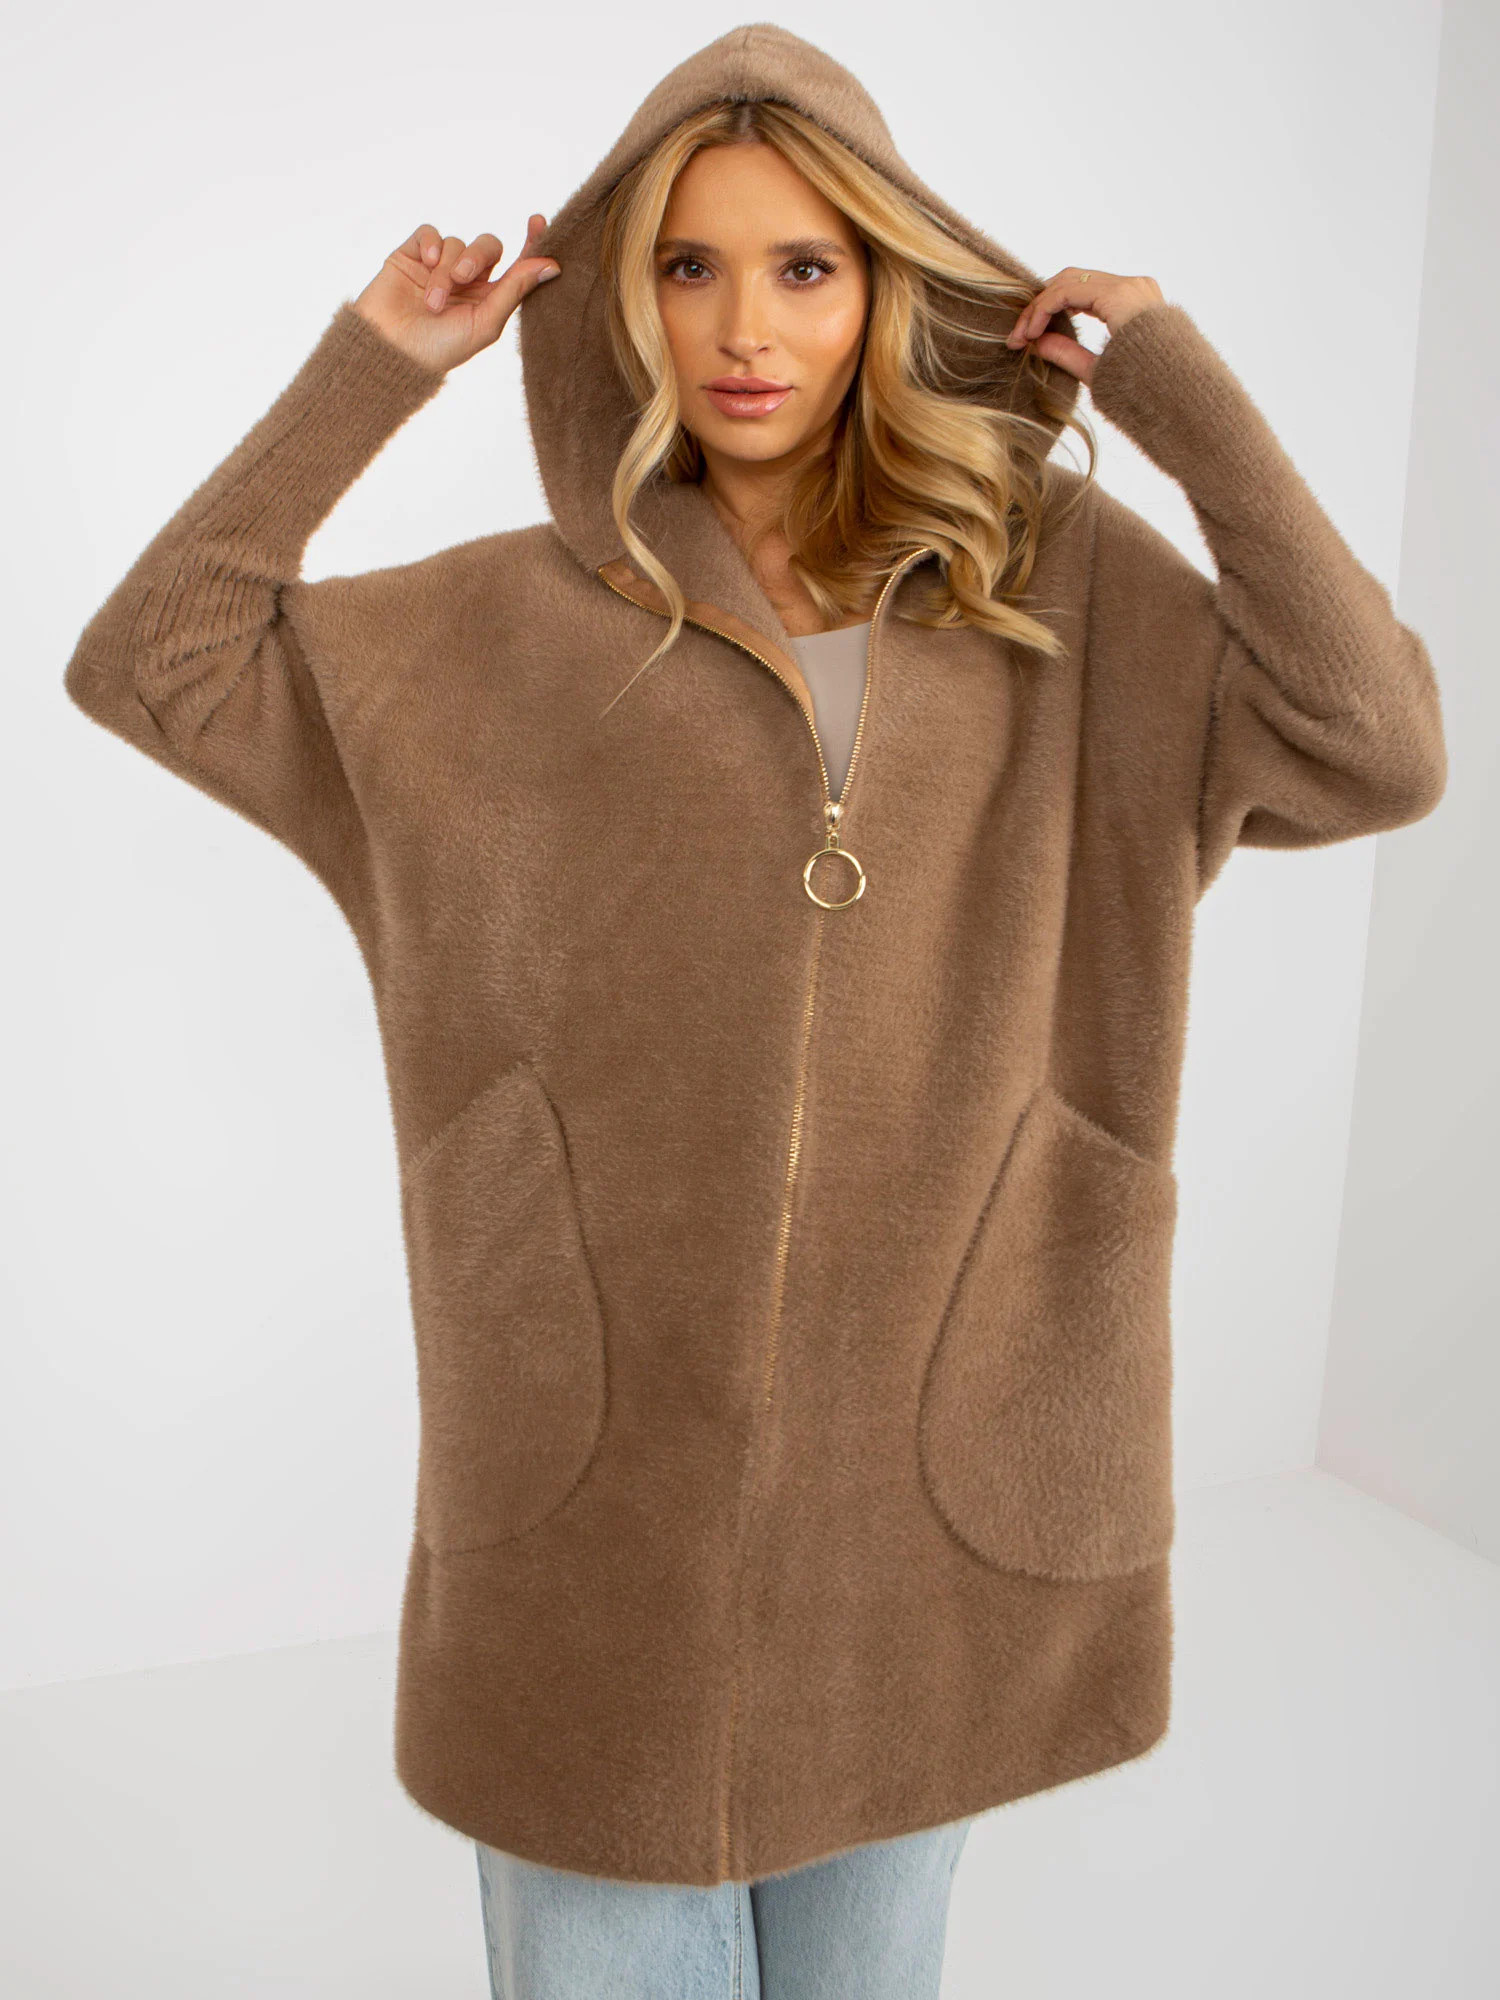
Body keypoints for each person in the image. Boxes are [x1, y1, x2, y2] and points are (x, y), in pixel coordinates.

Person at [61, 22, 1447, 1998]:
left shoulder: (1056, 590)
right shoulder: (495, 628)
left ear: (888, 287)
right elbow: (159, 658)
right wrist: (375, 365)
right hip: (594, 1498)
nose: (743, 327)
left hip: (932, 1480)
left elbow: (1378, 744)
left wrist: (1174, 390)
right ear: (622, 300)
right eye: (688, 265)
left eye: (805, 265)